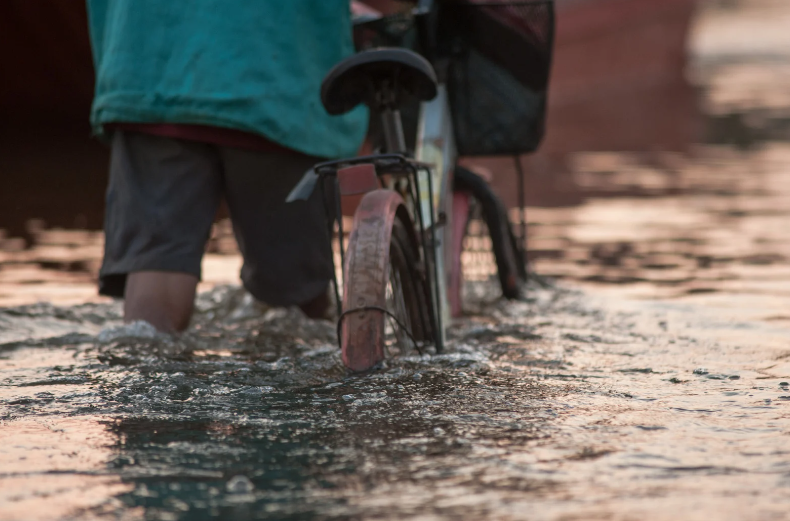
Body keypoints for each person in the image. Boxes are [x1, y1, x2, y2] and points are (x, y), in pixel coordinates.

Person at [87, 1, 368, 332]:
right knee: (295, 299)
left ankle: (146, 369)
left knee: (157, 267)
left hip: (148, 71)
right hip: (276, 84)